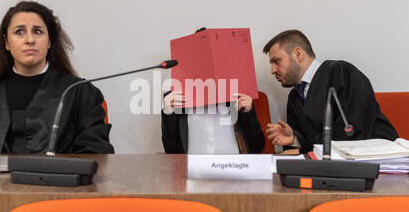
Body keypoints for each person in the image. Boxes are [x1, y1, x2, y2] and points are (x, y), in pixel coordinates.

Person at [0, 1, 115, 154]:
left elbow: (96, 154)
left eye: (38, 31)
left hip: (58, 180)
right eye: (19, 32)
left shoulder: (79, 93)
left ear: (49, 41)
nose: (30, 40)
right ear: (7, 43)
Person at [263, 29, 398, 154]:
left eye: (276, 61)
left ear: (298, 54)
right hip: (331, 167)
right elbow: (308, 143)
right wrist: (294, 139)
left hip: (379, 159)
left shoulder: (341, 72)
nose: (273, 70)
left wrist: (304, 150)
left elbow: (351, 130)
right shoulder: (295, 97)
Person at [161, 28, 265, 154]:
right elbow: (170, 150)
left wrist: (248, 112)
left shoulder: (236, 95)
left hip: (234, 169)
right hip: (193, 171)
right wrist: (168, 112)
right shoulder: (176, 98)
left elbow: (258, 146)